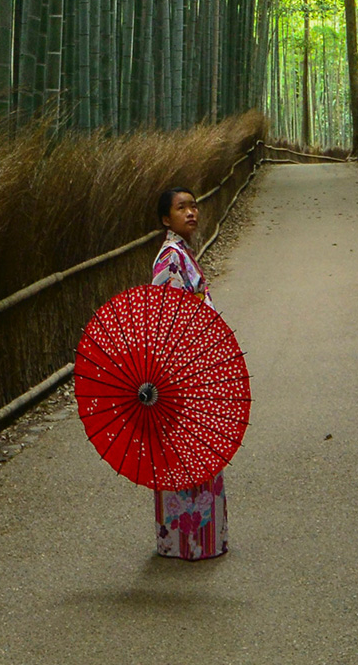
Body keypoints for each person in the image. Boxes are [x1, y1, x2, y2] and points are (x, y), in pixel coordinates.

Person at [150, 185, 229, 560]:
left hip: (196, 362)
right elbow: (169, 316)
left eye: (194, 206)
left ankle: (200, 540)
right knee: (188, 452)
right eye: (182, 208)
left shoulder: (182, 253)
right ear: (166, 219)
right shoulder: (170, 257)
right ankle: (189, 543)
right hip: (182, 369)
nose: (191, 213)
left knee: (197, 451)